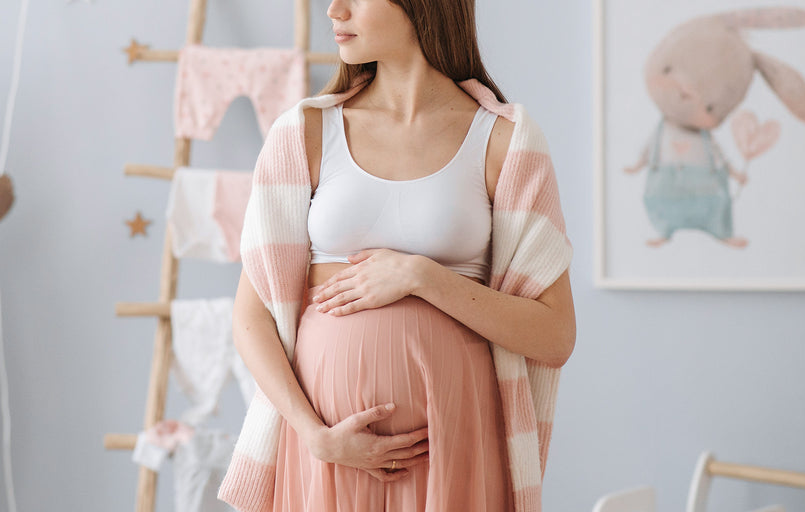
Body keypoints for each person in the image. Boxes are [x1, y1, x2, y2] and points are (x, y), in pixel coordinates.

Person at [225, 0, 576, 510]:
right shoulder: (304, 133)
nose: (333, 9)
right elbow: (251, 315)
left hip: (451, 441)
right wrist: (314, 434)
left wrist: (422, 276)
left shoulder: (505, 139)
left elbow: (555, 335)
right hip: (326, 447)